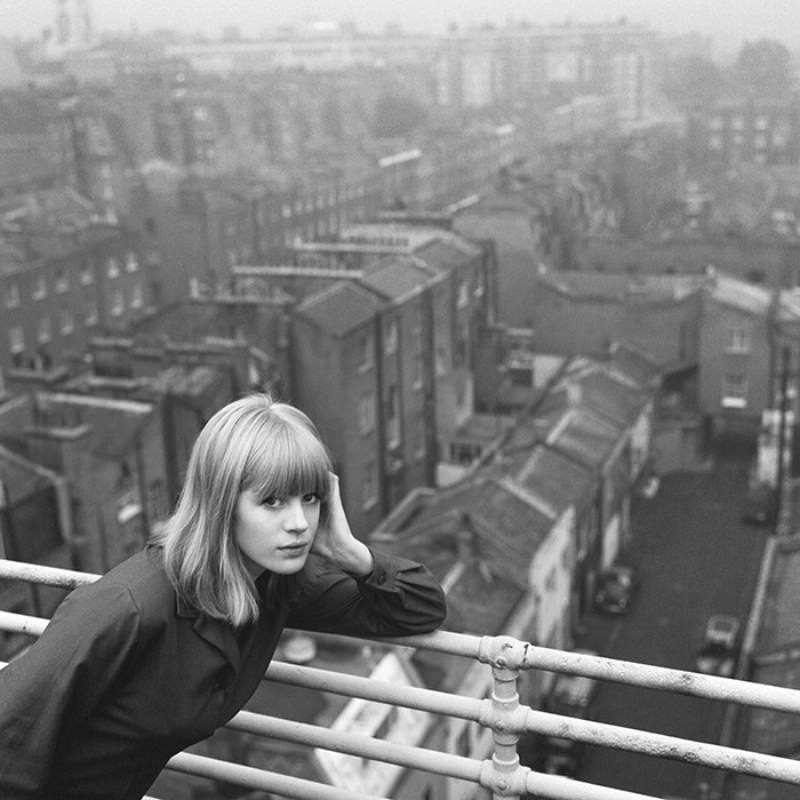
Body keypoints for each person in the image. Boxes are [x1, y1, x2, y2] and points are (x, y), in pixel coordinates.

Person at [0, 393, 447, 799]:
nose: (299, 523)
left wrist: (350, 552)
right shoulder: (129, 606)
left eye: (309, 498)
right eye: (272, 501)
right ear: (221, 503)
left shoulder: (277, 584)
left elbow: (421, 606)